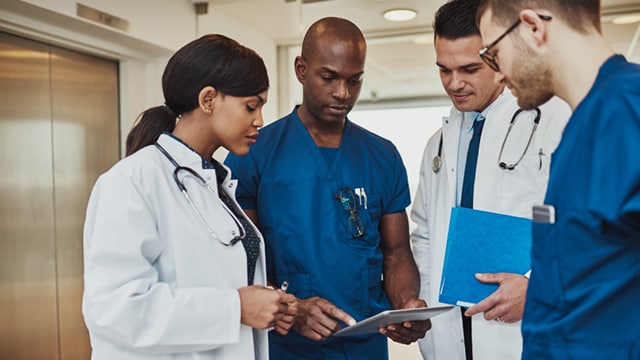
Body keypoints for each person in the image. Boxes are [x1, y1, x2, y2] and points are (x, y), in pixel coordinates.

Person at [82, 34, 298, 360]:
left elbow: (212, 280)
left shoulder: (215, 183)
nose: (259, 121)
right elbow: (114, 309)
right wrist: (235, 307)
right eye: (251, 106)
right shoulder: (132, 181)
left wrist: (265, 304)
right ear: (208, 99)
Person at [224, 16, 429, 359]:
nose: (343, 93)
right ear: (301, 69)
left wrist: (406, 306)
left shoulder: (382, 155)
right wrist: (293, 309)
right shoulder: (255, 152)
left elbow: (396, 252)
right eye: (329, 77)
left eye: (355, 80)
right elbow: (238, 260)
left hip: (365, 346)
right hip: (284, 346)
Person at [476, 1, 640, 358]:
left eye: (494, 54)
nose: (498, 75)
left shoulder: (628, 108)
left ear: (534, 27)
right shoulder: (580, 127)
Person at [410, 0, 571, 359]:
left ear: (498, 58)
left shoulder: (555, 119)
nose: (455, 83)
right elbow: (423, 233)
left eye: (469, 68)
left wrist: (536, 286)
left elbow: (588, 228)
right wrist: (419, 305)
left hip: (523, 332)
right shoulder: (438, 143)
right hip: (450, 333)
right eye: (444, 70)